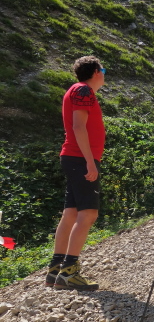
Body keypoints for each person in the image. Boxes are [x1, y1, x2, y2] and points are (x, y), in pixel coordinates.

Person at [47, 56, 107, 291]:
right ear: (95, 72)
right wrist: (90, 163)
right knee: (88, 213)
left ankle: (56, 269)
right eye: (102, 70)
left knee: (71, 212)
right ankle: (69, 272)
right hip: (80, 158)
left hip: (74, 158)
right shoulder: (83, 91)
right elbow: (79, 126)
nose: (104, 74)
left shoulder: (77, 90)